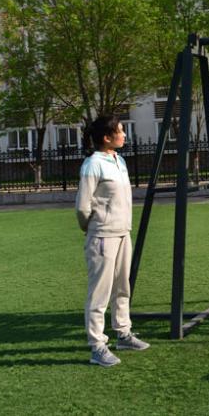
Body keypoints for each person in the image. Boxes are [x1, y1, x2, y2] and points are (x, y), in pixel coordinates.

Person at [76, 114, 149, 367]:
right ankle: (97, 346)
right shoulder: (92, 164)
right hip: (102, 236)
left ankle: (124, 334)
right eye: (120, 131)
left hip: (122, 233)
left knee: (122, 287)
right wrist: (93, 228)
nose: (125, 134)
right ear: (107, 138)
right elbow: (82, 208)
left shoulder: (119, 160)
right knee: (100, 293)